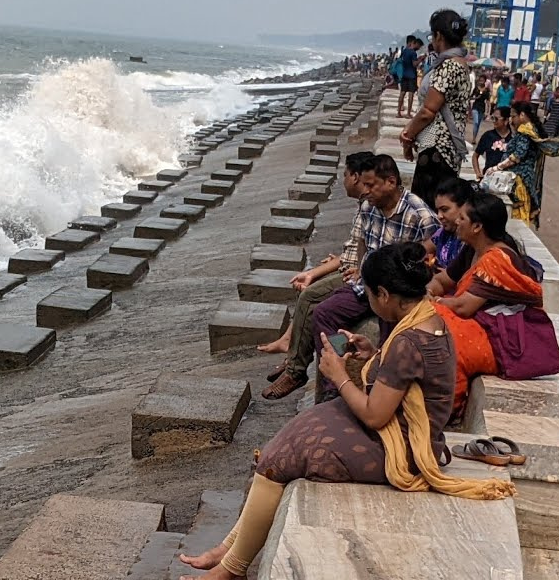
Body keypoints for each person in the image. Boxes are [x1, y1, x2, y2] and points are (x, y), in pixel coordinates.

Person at [177, 243, 516, 580]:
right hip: (407, 429)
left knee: (276, 462)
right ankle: (229, 550)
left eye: (367, 294)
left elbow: (374, 416)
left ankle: (232, 570)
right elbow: (406, 380)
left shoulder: (409, 341)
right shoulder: (428, 320)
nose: (367, 300)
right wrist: (372, 355)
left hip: (401, 446)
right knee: (274, 451)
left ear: (383, 294)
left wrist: (338, 376)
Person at [303, 155, 440, 404]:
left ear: (390, 181)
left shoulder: (419, 214)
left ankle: (379, 391)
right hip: (366, 286)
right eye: (363, 185)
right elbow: (362, 242)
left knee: (391, 335)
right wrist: (358, 268)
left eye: (370, 185)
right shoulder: (368, 207)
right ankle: (333, 386)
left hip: (396, 293)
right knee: (324, 313)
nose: (365, 192)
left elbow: (434, 252)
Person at [259, 152, 377, 398]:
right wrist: (313, 272)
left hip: (365, 282)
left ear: (356, 177)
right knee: (311, 293)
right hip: (358, 274)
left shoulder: (372, 208)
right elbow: (350, 255)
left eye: (345, 175)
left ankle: (297, 368)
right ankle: (293, 350)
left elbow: (357, 258)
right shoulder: (366, 208)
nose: (344, 180)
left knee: (314, 302)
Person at [429, 194, 550, 421]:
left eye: (462, 217)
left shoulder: (496, 258)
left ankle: (448, 407)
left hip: (507, 339)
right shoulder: (473, 249)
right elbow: (443, 281)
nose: (456, 221)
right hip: (485, 325)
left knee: (439, 324)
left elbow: (464, 307)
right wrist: (427, 292)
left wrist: (433, 302)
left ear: (477, 226)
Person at [400, 9, 471, 203]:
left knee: (425, 209)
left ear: (438, 35)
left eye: (432, 35)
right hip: (447, 148)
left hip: (437, 148)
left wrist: (407, 134)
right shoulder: (461, 63)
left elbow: (428, 111)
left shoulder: (448, 66)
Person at [487, 103, 559, 228]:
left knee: (518, 217)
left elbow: (517, 156)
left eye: (513, 116)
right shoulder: (531, 130)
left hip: (520, 179)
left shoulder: (525, 132)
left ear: (522, 115)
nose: (511, 120)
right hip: (523, 177)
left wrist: (497, 168)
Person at [472, 107, 512, 178]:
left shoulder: (514, 138)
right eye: (492, 118)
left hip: (507, 178)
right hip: (489, 177)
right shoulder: (488, 136)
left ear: (506, 120)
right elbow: (475, 155)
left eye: (496, 119)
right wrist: (477, 173)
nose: (493, 121)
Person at [396, 36, 421, 119]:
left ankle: (398, 112)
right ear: (412, 42)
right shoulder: (413, 53)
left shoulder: (404, 51)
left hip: (404, 74)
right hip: (412, 75)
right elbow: (414, 64)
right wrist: (420, 59)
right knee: (411, 94)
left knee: (402, 93)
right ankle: (408, 113)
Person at [470, 76, 490, 141]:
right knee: (475, 122)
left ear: (485, 81)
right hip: (475, 106)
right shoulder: (476, 89)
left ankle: (474, 137)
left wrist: (488, 111)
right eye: (480, 80)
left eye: (482, 80)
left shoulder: (486, 90)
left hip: (482, 108)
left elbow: (488, 101)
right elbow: (470, 97)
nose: (481, 81)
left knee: (478, 124)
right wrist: (476, 98)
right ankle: (473, 138)